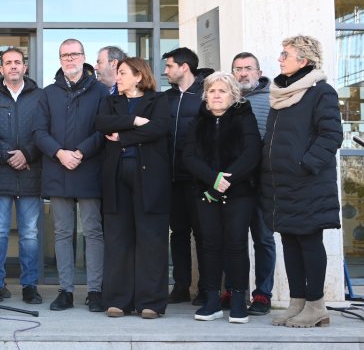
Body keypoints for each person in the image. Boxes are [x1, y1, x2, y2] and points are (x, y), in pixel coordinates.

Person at [262, 35, 342, 328]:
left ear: (303, 61)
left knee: (308, 240)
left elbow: (331, 135)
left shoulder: (321, 92)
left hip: (307, 181)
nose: (280, 58)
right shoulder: (282, 94)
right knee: (290, 241)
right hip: (281, 182)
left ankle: (316, 305)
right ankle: (297, 303)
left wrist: (304, 165)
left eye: (286, 54)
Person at [34, 39, 109, 312]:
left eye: (74, 54)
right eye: (65, 55)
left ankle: (95, 291)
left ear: (83, 57)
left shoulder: (101, 91)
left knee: (93, 231)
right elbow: (39, 132)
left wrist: (80, 152)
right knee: (63, 233)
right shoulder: (48, 93)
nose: (70, 59)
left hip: (89, 169)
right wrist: (60, 154)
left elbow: (103, 130)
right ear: (60, 59)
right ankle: (65, 291)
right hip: (58, 169)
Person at [95, 57, 171, 319]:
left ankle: (150, 302)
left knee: (151, 239)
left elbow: (159, 129)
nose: (118, 77)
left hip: (150, 178)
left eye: (123, 73)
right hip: (116, 178)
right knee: (118, 238)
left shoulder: (159, 101)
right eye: (117, 73)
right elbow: (102, 124)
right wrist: (136, 121)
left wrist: (123, 136)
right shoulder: (110, 101)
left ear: (139, 76)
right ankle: (118, 300)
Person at [182, 72, 261, 324]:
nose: (216, 95)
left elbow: (251, 154)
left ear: (233, 95)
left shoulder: (244, 117)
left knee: (237, 245)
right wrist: (213, 179)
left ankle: (239, 300)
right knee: (210, 246)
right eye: (212, 91)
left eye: (222, 91)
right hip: (206, 193)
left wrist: (225, 180)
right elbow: (189, 156)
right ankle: (212, 301)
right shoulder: (199, 120)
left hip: (239, 194)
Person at [0, 48, 44, 305]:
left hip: (30, 173)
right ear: (1, 69)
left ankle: (30, 286)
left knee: (29, 234)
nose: (14, 66)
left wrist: (27, 154)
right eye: (8, 63)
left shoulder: (40, 97)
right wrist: (8, 156)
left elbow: (44, 131)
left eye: (18, 62)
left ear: (25, 67)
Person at [223, 53, 274, 316]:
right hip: (235, 182)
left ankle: (263, 295)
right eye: (238, 69)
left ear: (259, 71)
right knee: (234, 239)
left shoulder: (274, 98)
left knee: (264, 239)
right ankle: (233, 289)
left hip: (264, 181)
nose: (243, 73)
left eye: (248, 68)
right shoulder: (227, 101)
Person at [162, 47, 213, 305]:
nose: (165, 71)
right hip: (172, 179)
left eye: (169, 66)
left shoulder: (205, 95)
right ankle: (181, 286)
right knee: (178, 234)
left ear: (184, 67)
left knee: (203, 234)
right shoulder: (165, 98)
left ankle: (205, 288)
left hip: (198, 179)